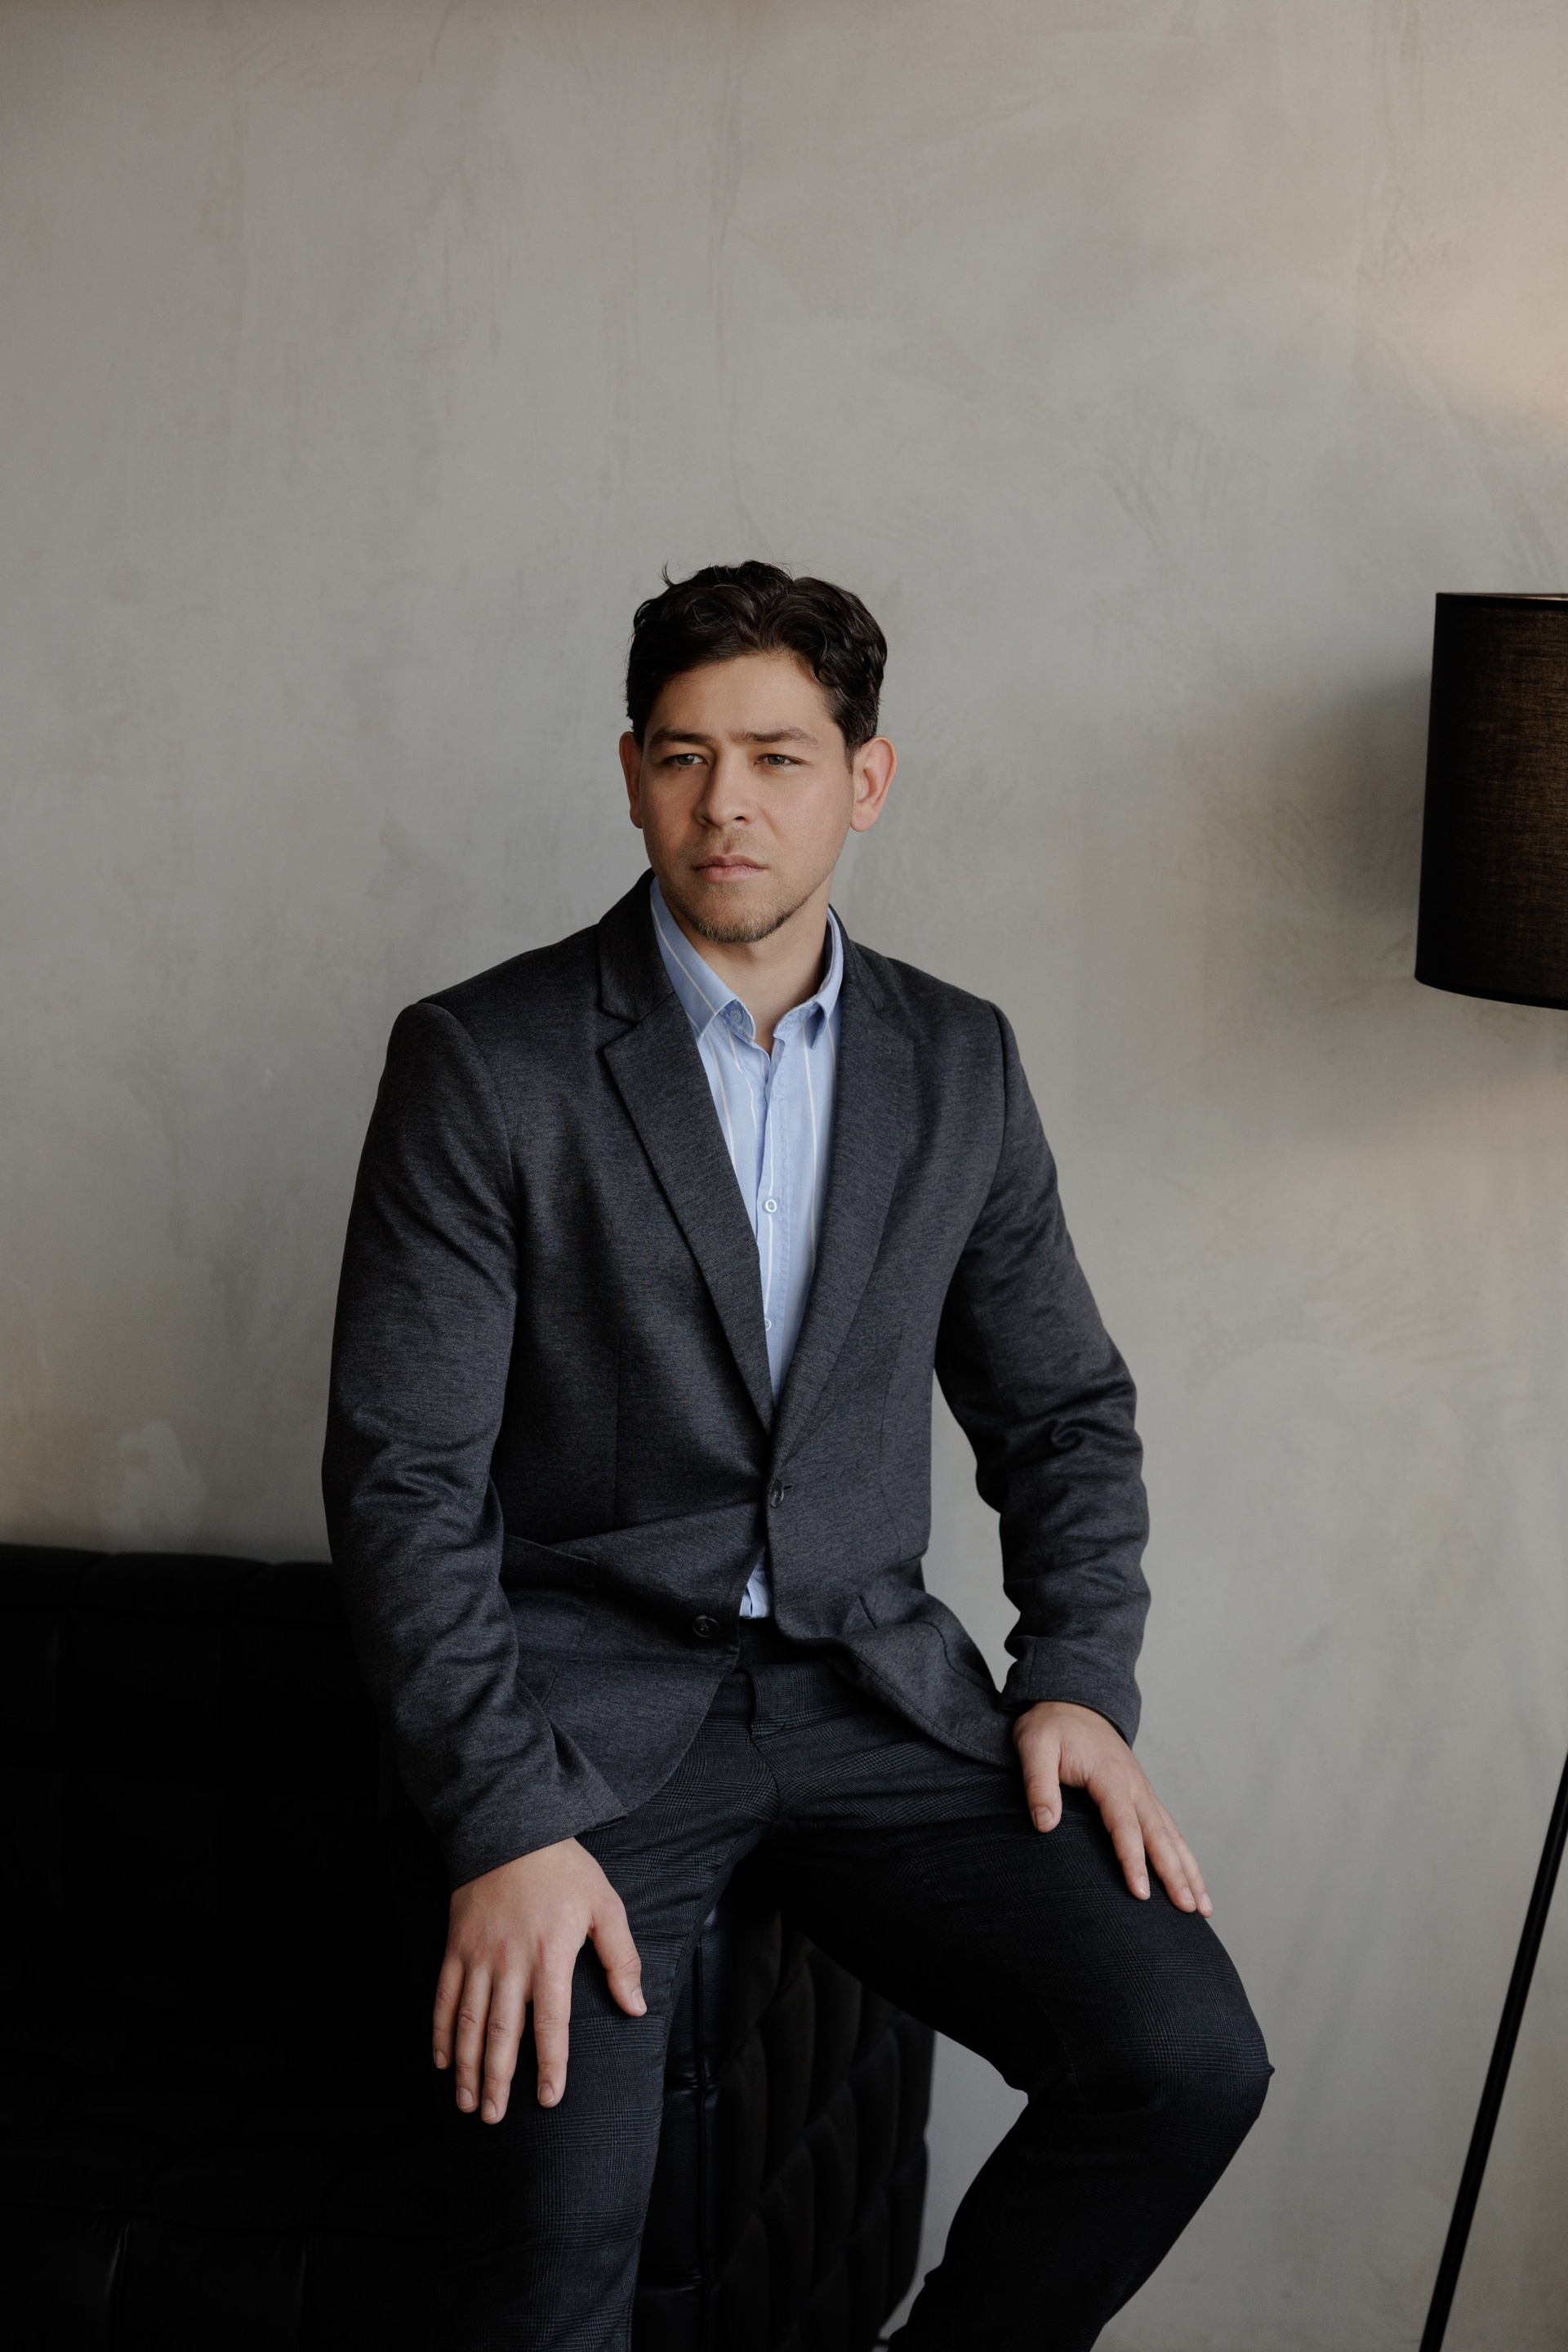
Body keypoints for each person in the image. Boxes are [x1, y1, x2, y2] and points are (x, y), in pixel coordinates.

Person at [323, 561, 1269, 2350]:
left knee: (1185, 2062)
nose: (727, 804)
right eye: (684, 756)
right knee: (546, 2279)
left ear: (866, 778)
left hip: (872, 1698)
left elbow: (1063, 1410)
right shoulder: (484, 1061)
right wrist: (505, 1819)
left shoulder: (959, 1062)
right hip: (583, 1726)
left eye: (777, 756)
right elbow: (402, 1485)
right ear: (630, 776)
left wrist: (1078, 1677)